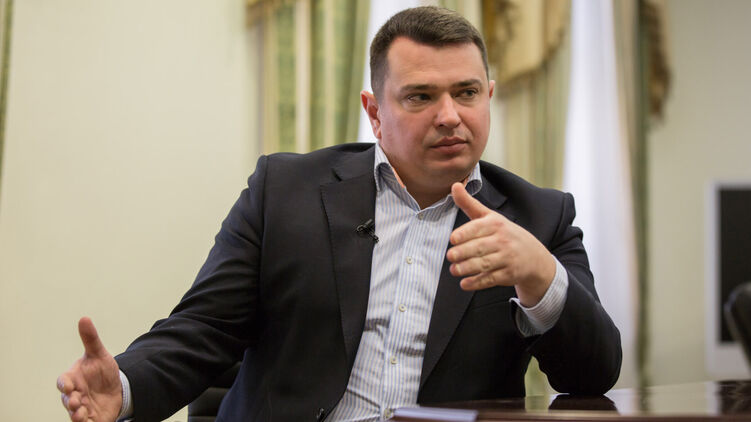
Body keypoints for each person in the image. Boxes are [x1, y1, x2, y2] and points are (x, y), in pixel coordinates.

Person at [58, 6, 621, 422]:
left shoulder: (538, 218)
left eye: (467, 92)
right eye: (421, 96)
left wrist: (540, 275)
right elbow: (205, 329)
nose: (450, 115)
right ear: (374, 113)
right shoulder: (285, 191)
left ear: (488, 97)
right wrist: (124, 387)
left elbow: (594, 375)